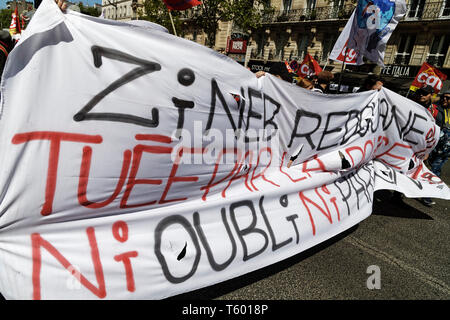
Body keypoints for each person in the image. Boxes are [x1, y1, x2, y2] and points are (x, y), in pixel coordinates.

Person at [421, 90, 450, 206]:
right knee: (423, 168)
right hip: (432, 145)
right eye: (443, 97)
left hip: (445, 150)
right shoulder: (434, 109)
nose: (445, 99)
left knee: (435, 170)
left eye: (448, 98)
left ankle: (427, 195)